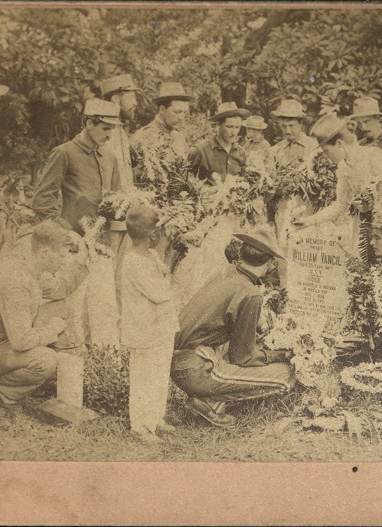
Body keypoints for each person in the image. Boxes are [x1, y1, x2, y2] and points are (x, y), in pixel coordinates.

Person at [171, 225, 295, 426]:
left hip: (182, 359)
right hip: (196, 368)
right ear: (270, 263)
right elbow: (242, 357)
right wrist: (282, 355)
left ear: (243, 253)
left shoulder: (226, 271)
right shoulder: (250, 293)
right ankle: (209, 400)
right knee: (285, 376)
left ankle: (207, 398)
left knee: (258, 343)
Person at [0, 221, 89, 416]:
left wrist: (82, 264)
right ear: (45, 254)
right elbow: (20, 341)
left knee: (61, 309)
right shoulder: (17, 283)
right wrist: (51, 331)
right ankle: (2, 393)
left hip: (4, 345)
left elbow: (59, 290)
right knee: (45, 360)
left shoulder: (34, 271)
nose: (64, 262)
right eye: (61, 257)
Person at [119, 205, 178, 442]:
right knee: (144, 376)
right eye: (159, 231)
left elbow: (164, 274)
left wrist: (165, 275)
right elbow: (161, 290)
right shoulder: (134, 262)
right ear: (153, 234)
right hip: (144, 329)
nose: (161, 235)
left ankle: (155, 417)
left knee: (159, 373)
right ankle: (141, 426)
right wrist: (167, 276)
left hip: (160, 326)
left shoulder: (150, 255)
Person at [293, 112, 382, 232]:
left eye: (327, 151)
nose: (326, 157)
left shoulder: (376, 157)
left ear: (339, 144)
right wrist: (307, 221)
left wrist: (372, 204)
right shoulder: (344, 167)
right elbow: (339, 206)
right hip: (367, 226)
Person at [32, 98, 123, 235]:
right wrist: (65, 231)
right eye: (105, 129)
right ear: (89, 123)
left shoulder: (110, 157)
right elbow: (42, 201)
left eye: (112, 130)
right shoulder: (64, 153)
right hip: (73, 241)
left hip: (105, 240)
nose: (109, 136)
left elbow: (118, 198)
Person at [130, 82, 193, 185]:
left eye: (184, 113)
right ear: (163, 109)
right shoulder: (142, 137)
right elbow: (128, 176)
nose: (181, 118)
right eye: (177, 112)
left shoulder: (179, 137)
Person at [187, 102, 250, 182]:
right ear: (219, 125)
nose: (234, 133)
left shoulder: (241, 153)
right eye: (229, 127)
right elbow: (186, 181)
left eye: (237, 127)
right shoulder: (199, 151)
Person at [98, 73, 141, 190]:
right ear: (116, 100)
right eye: (131, 97)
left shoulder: (120, 131)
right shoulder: (102, 135)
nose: (135, 103)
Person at [268, 99, 318, 167]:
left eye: (291, 126)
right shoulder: (276, 149)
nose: (287, 131)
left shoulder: (312, 146)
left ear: (300, 124)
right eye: (284, 126)